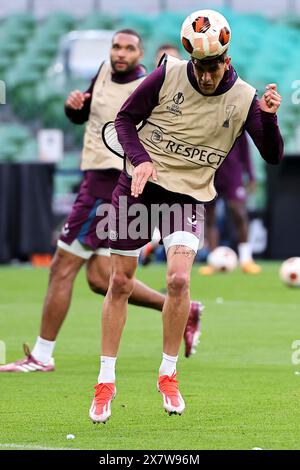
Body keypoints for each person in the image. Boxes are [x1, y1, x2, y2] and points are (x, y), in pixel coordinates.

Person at [88, 9, 283, 423]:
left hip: (189, 195)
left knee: (178, 279)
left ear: (226, 61)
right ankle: (105, 381)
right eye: (200, 65)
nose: (207, 75)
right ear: (189, 58)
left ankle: (168, 374)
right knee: (119, 281)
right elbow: (124, 119)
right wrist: (139, 159)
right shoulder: (168, 74)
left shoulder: (244, 97)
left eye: (214, 66)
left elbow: (273, 154)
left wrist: (269, 117)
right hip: (140, 185)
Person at [0, 29, 203, 374]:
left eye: (129, 48)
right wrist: (75, 108)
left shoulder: (149, 86)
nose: (121, 53)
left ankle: (42, 355)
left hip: (107, 186)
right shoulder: (104, 71)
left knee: (61, 266)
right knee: (100, 279)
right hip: (94, 177)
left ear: (141, 55)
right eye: (116, 46)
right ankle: (185, 309)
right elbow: (89, 118)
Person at [199, 132, 261, 275]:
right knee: (210, 216)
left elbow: (245, 150)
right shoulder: (206, 120)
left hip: (233, 173)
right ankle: (213, 260)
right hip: (211, 172)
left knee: (239, 213)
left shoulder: (237, 118)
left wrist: (251, 175)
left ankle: (246, 260)